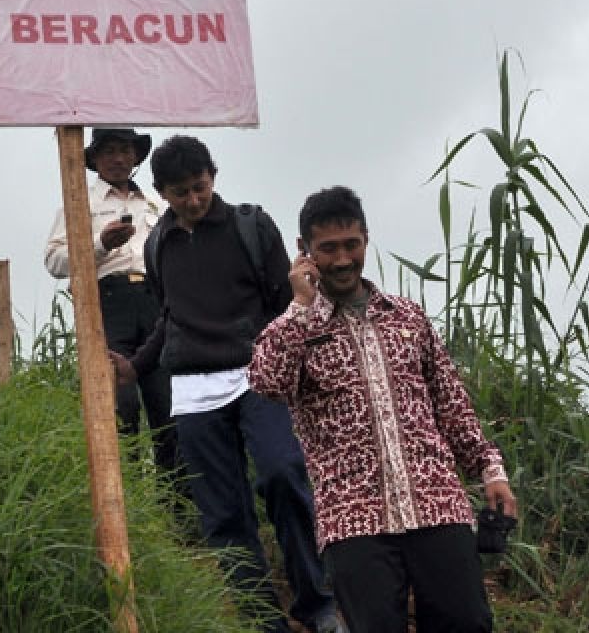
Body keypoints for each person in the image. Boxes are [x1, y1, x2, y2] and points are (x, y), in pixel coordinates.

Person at [250, 186, 518, 633]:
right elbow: (267, 382)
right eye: (328, 249)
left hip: (437, 503)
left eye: (351, 245)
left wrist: (491, 470)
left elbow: (452, 406)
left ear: (366, 239)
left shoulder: (407, 318)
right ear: (305, 252)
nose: (341, 260)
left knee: (468, 623)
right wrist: (299, 307)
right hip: (353, 518)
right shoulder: (298, 330)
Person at [110, 135, 344, 633]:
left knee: (283, 475)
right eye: (180, 192)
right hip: (193, 391)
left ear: (213, 177)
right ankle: (262, 620)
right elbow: (169, 318)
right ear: (162, 193)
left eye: (199, 187)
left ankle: (316, 602)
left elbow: (285, 302)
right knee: (221, 514)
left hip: (258, 373)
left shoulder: (251, 226)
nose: (193, 200)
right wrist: (136, 365)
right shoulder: (158, 245)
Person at [44, 128, 178, 481]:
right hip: (107, 304)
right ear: (95, 159)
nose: (118, 158)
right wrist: (101, 244)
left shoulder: (156, 205)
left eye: (125, 150)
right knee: (122, 405)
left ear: (135, 156)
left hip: (154, 303)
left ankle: (178, 516)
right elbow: (54, 261)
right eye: (109, 151)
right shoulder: (80, 204)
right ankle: (129, 503)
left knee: (166, 407)